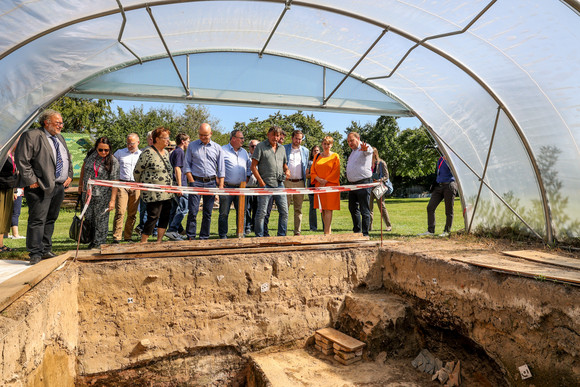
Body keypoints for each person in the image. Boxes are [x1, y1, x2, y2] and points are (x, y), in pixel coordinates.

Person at [14, 109, 73, 264]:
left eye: (61, 122)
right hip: (39, 186)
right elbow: (22, 159)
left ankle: (46, 249)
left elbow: (67, 158)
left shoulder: (59, 138)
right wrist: (31, 180)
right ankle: (35, 252)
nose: (61, 125)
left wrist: (69, 175)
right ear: (47, 122)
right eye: (58, 122)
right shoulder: (32, 135)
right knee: (37, 219)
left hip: (58, 186)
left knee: (51, 219)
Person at [133, 127, 175, 243]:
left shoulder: (166, 153)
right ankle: (144, 241)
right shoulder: (148, 152)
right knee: (152, 217)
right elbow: (137, 171)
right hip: (152, 192)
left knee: (165, 216)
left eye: (168, 138)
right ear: (157, 139)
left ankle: (159, 241)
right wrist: (141, 186)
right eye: (165, 138)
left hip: (167, 192)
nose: (168, 141)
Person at [184, 123, 225, 240]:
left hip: (211, 183)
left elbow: (221, 168)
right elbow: (187, 166)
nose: (203, 137)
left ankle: (204, 237)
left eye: (205, 135)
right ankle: (191, 236)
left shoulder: (217, 148)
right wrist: (191, 181)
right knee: (192, 211)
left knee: (207, 212)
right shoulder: (192, 146)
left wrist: (220, 186)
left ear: (211, 134)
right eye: (201, 135)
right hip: (195, 181)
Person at [79, 137, 120, 248]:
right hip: (87, 194)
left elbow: (115, 182)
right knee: (89, 218)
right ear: (96, 148)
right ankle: (91, 241)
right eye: (100, 150)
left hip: (103, 195)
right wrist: (80, 185)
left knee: (101, 220)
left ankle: (99, 243)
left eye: (106, 150)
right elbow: (84, 168)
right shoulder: (91, 155)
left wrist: (112, 200)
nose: (103, 152)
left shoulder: (113, 161)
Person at [251, 126, 290, 237]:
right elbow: (253, 167)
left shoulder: (282, 149)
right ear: (268, 135)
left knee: (284, 212)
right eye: (273, 135)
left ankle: (281, 236)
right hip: (265, 184)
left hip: (279, 184)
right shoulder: (260, 147)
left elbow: (285, 165)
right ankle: (259, 236)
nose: (275, 137)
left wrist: (287, 171)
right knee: (262, 212)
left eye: (277, 135)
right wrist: (261, 181)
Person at [218, 130, 249, 239]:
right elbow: (218, 168)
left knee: (242, 213)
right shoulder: (223, 150)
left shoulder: (244, 152)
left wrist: (247, 179)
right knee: (224, 213)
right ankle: (223, 235)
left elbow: (249, 167)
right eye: (241, 138)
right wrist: (220, 185)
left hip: (241, 188)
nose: (243, 140)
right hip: (227, 187)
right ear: (233, 138)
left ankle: (241, 234)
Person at [112, 133, 141, 243]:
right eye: (128, 143)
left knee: (132, 213)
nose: (129, 145)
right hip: (122, 185)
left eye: (132, 143)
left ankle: (128, 236)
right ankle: (116, 237)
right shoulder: (119, 153)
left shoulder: (142, 155)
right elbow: (112, 166)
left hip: (136, 185)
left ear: (138, 142)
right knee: (120, 211)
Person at [419, 156, 458, 237]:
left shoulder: (453, 157)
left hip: (449, 185)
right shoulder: (440, 158)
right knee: (430, 207)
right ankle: (430, 231)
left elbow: (456, 171)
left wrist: (449, 162)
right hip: (438, 186)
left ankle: (446, 231)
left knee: (449, 210)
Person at [311, 136, 340, 235]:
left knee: (328, 209)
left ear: (331, 145)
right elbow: (312, 171)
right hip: (319, 185)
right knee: (322, 209)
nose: (326, 146)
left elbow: (336, 171)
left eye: (328, 144)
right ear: (322, 144)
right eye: (324, 144)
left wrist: (326, 180)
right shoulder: (317, 156)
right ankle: (328, 231)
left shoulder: (335, 156)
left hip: (330, 185)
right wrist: (319, 180)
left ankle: (326, 233)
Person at [345, 132, 373, 237]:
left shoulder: (364, 147)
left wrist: (366, 149)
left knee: (364, 209)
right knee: (352, 208)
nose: (350, 143)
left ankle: (365, 234)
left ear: (358, 138)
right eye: (348, 141)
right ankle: (357, 232)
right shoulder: (353, 152)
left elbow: (369, 151)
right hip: (352, 184)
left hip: (363, 183)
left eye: (352, 140)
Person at [284, 130, 309, 236]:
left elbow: (306, 166)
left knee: (298, 209)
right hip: (287, 182)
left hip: (300, 182)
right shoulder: (284, 148)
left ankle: (297, 232)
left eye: (300, 139)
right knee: (285, 209)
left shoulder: (305, 151)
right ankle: (283, 231)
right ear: (292, 138)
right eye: (296, 138)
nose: (298, 141)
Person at [165, 133, 190, 241]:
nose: (189, 143)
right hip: (179, 184)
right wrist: (180, 186)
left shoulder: (174, 152)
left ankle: (172, 233)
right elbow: (177, 169)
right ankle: (172, 229)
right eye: (188, 141)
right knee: (184, 208)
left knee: (174, 209)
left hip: (174, 184)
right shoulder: (179, 152)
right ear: (183, 141)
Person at [135, 131, 154, 235]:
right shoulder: (142, 152)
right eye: (150, 138)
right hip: (144, 185)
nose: (151, 140)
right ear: (147, 139)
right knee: (144, 209)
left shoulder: (162, 152)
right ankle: (143, 228)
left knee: (156, 209)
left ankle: (154, 230)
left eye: (153, 138)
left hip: (157, 186)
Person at [369, 148, 392, 232]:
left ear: (375, 153)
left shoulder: (381, 163)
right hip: (370, 186)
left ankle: (388, 225)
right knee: (369, 208)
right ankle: (369, 226)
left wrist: (379, 180)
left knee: (381, 207)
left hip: (379, 186)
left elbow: (386, 176)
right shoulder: (367, 163)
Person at [0, 155, 16, 253]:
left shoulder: (8, 154)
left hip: (8, 186)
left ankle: (1, 245)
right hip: (1, 187)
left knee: (5, 217)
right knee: (1, 217)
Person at [244, 139, 259, 235]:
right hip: (248, 186)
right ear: (249, 147)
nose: (254, 148)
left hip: (258, 187)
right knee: (247, 208)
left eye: (256, 146)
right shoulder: (245, 157)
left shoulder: (261, 157)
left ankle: (255, 226)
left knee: (257, 208)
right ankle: (247, 226)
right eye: (252, 146)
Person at [306, 145, 321, 232]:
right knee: (312, 208)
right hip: (312, 187)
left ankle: (325, 227)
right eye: (314, 150)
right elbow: (307, 175)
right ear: (312, 152)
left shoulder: (323, 161)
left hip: (322, 187)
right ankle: (313, 227)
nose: (316, 152)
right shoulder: (309, 162)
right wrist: (314, 175)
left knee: (324, 208)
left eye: (317, 150)